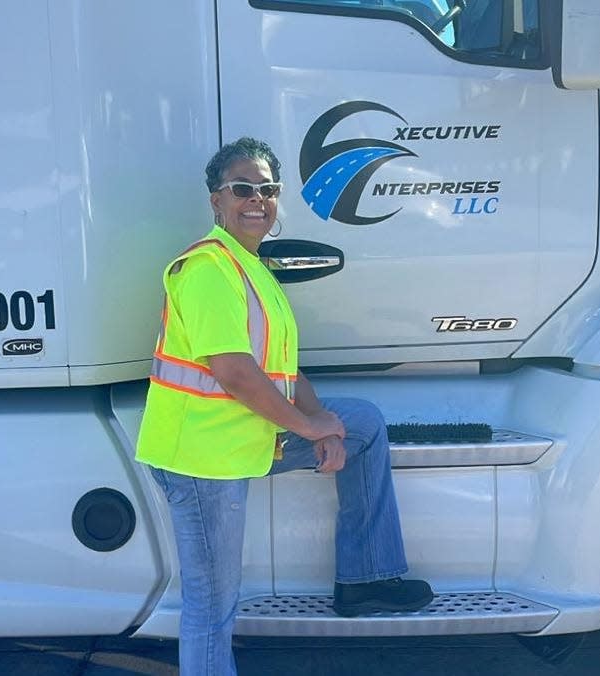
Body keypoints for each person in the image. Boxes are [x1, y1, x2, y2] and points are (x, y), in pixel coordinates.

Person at [135, 137, 433, 676]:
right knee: (212, 605)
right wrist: (308, 425)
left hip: (244, 437)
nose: (257, 199)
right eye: (242, 188)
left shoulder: (251, 268)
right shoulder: (207, 270)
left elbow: (284, 372)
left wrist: (324, 426)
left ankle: (366, 579)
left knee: (361, 421)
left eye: (267, 189)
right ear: (217, 201)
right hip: (201, 458)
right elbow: (235, 373)